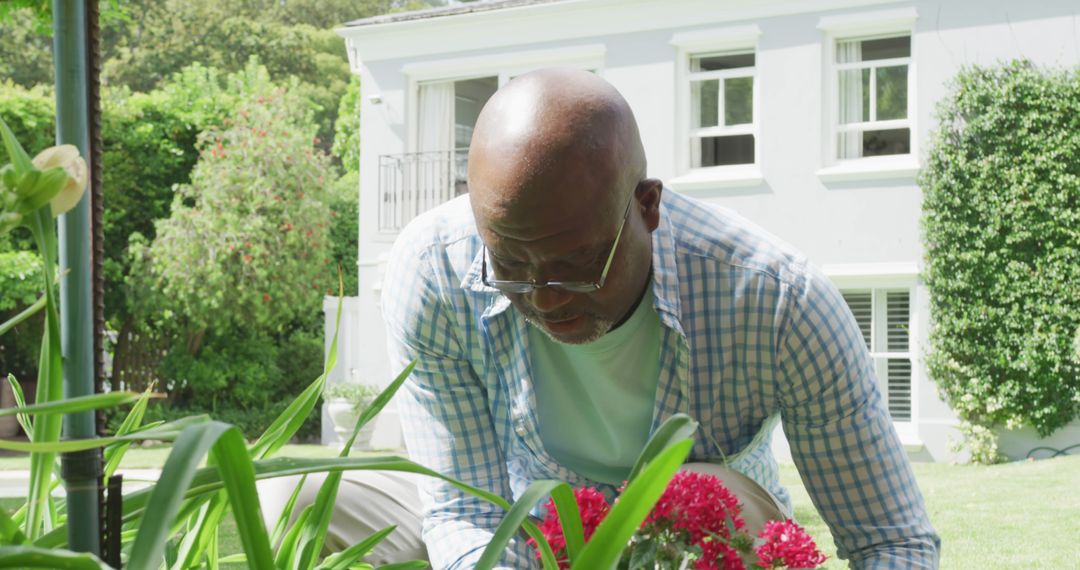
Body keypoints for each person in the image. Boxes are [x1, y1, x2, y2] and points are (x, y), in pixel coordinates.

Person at [263, 67, 940, 569]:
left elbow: (890, 541)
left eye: (575, 262)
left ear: (647, 206)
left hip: (695, 541)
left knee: (678, 489)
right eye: (510, 264)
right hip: (522, 524)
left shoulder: (776, 299)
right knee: (294, 501)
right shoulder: (436, 269)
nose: (546, 297)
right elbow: (466, 512)